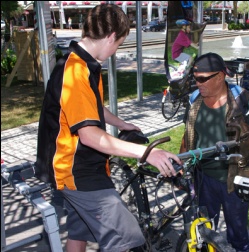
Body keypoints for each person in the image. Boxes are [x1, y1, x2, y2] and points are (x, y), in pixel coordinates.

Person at [35, 4, 181, 252]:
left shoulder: (83, 62)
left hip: (75, 166)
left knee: (79, 230)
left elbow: (90, 107)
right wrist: (148, 153)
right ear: (112, 36)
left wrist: (121, 123)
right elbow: (90, 136)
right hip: (76, 171)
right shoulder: (75, 70)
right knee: (128, 238)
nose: (115, 51)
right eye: (119, 44)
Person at [180, 52, 249, 251]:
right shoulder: (194, 99)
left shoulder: (243, 101)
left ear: (220, 76)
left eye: (202, 79)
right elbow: (189, 133)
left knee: (237, 233)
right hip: (203, 177)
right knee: (202, 228)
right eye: (195, 78)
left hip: (236, 179)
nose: (197, 83)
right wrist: (182, 163)